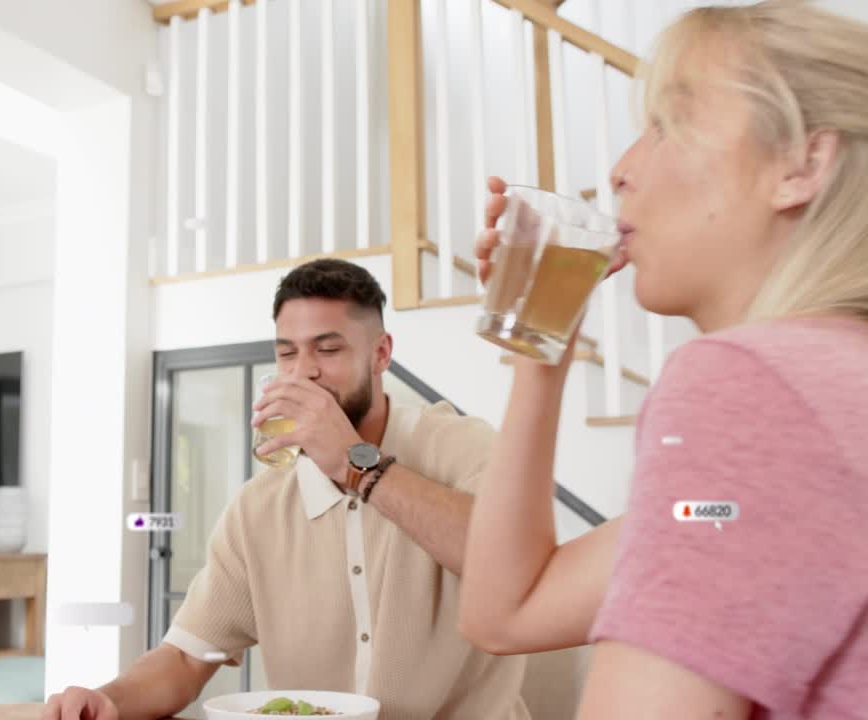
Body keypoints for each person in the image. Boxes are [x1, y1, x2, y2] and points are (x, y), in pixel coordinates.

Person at [458, 2, 868, 718]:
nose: (619, 170)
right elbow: (508, 611)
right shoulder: (818, 396)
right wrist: (542, 345)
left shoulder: (752, 389)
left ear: (803, 163)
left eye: (667, 125)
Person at [44, 259, 529, 719]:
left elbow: (508, 560)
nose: (303, 371)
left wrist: (354, 464)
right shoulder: (259, 508)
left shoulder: (461, 445)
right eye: (287, 353)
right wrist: (106, 700)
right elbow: (186, 659)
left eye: (328, 349)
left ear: (381, 353)